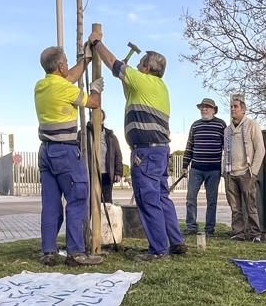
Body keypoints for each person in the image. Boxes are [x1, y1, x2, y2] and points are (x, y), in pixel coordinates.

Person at [87, 32, 185, 260]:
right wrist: (124, 75)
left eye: (141, 64)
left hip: (146, 152)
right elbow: (127, 85)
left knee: (148, 198)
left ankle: (159, 250)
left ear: (147, 69)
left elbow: (113, 64)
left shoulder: (143, 80)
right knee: (161, 197)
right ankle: (175, 241)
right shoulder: (158, 86)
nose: (139, 67)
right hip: (159, 150)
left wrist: (97, 43)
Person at [34, 45, 104, 266]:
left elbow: (70, 76)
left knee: (51, 204)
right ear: (61, 66)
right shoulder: (65, 89)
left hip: (46, 152)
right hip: (65, 151)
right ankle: (76, 252)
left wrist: (86, 58)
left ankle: (49, 251)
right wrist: (96, 89)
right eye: (65, 62)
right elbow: (93, 103)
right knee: (77, 198)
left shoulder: (41, 85)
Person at [222, 97, 266, 241]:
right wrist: (224, 171)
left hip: (246, 172)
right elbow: (225, 152)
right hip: (230, 173)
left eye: (235, 107)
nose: (233, 109)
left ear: (243, 110)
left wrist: (253, 171)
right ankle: (238, 233)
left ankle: (255, 234)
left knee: (250, 206)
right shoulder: (227, 130)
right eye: (231, 107)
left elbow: (260, 149)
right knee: (235, 208)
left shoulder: (252, 125)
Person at [181, 97, 226, 236]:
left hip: (214, 169)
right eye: (202, 107)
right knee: (190, 198)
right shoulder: (195, 125)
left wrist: (225, 168)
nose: (204, 109)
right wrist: (184, 166)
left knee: (212, 201)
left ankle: (209, 230)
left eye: (207, 107)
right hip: (196, 168)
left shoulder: (221, 125)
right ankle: (191, 227)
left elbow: (226, 148)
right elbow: (189, 146)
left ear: (214, 110)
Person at [86, 117, 123, 203]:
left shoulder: (111, 136)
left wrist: (118, 172)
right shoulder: (83, 134)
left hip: (106, 174)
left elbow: (117, 154)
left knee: (107, 202)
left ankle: (106, 216)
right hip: (89, 175)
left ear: (103, 120)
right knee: (90, 202)